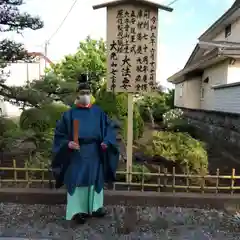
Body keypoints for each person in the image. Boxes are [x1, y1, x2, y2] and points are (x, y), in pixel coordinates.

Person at [51, 74, 119, 224]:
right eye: (82, 93)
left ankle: (96, 207)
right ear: (77, 95)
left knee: (96, 178)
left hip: (95, 150)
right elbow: (59, 134)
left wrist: (106, 141)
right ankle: (77, 210)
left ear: (91, 94)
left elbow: (109, 128)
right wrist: (67, 144)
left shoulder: (98, 112)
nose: (85, 96)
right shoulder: (69, 114)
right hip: (77, 153)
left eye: (88, 93)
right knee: (77, 178)